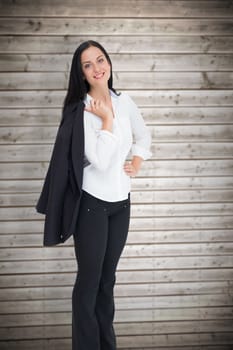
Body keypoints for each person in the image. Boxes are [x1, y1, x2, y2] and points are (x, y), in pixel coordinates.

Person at [37, 40, 152, 350]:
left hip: (121, 205)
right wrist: (107, 121)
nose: (97, 68)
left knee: (107, 280)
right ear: (82, 74)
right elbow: (99, 161)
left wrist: (137, 161)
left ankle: (106, 345)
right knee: (89, 282)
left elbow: (143, 135)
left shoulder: (125, 100)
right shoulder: (83, 111)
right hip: (92, 206)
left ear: (109, 63)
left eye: (100, 60)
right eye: (88, 65)